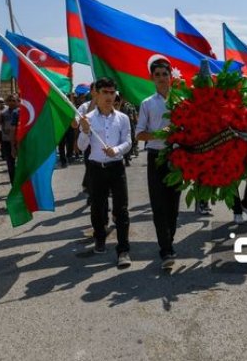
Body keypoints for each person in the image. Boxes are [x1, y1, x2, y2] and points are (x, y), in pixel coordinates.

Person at [77, 77, 132, 268]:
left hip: (116, 167)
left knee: (121, 208)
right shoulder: (88, 119)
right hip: (96, 168)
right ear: (96, 94)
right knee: (98, 207)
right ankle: (99, 238)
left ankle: (123, 249)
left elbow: (128, 142)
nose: (109, 96)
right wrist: (84, 131)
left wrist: (116, 150)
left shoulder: (122, 118)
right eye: (105, 92)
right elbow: (81, 147)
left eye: (112, 92)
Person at [135, 56, 182, 267]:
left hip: (176, 157)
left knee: (173, 203)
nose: (162, 78)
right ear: (152, 78)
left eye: (165, 74)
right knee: (158, 204)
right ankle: (166, 249)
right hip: (156, 157)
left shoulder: (180, 101)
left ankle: (168, 239)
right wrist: (158, 134)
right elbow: (139, 135)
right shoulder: (147, 104)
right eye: (158, 75)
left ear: (171, 76)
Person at [0, 94, 18, 183]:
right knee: (10, 165)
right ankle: (13, 184)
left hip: (19, 141)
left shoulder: (21, 112)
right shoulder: (3, 114)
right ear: (7, 102)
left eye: (14, 100)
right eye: (10, 100)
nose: (12, 102)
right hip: (7, 141)